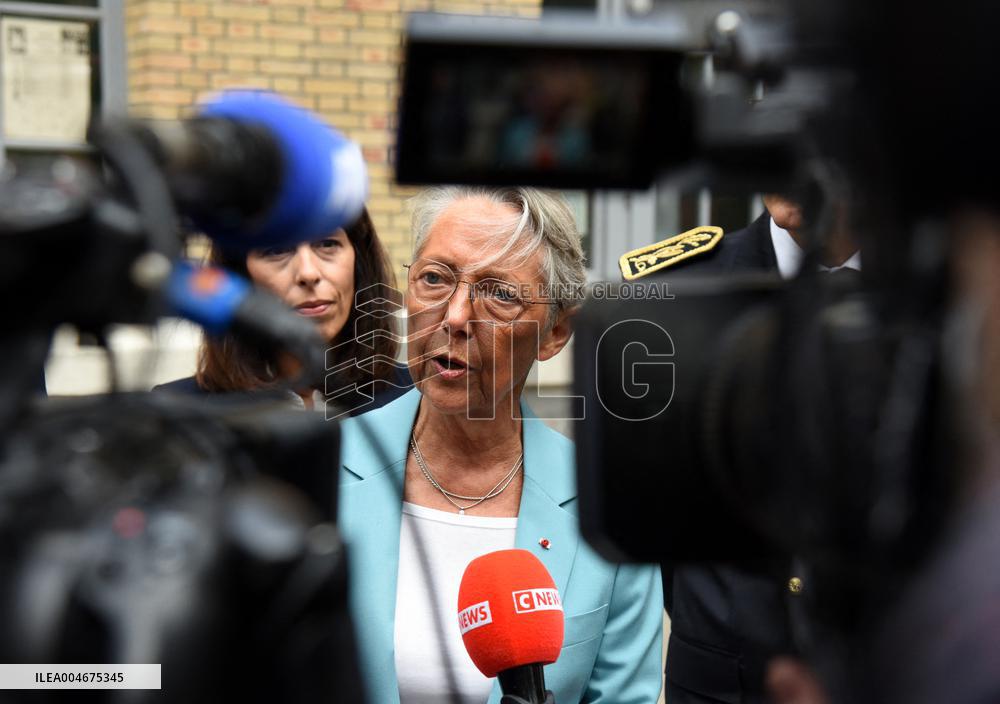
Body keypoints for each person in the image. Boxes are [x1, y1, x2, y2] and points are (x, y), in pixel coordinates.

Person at [338, 186, 663, 703]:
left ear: (556, 331)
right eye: (434, 279)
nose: (456, 317)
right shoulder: (323, 469)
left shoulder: (612, 505)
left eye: (500, 294)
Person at [619, 194, 861, 704]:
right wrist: (711, 613)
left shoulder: (952, 282)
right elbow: (646, 500)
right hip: (720, 677)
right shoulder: (678, 287)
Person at [156, 207, 409, 415]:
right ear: (238, 276)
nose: (308, 273)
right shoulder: (177, 413)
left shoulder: (415, 399)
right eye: (276, 250)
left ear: (359, 262)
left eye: (327, 243)